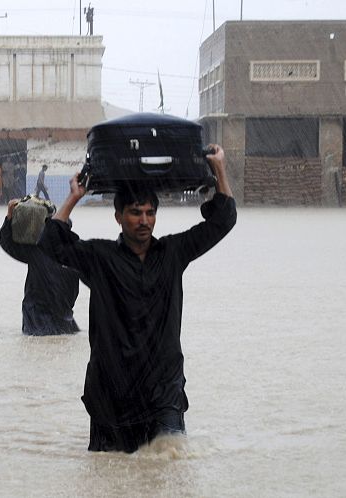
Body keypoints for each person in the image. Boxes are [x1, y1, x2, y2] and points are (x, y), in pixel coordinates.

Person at [38, 144, 237, 453]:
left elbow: (223, 221)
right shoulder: (100, 258)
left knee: (170, 466)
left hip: (164, 394)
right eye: (135, 213)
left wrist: (219, 170)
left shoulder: (173, 253)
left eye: (150, 213)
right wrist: (74, 198)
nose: (144, 221)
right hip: (111, 395)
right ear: (118, 216)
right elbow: (51, 243)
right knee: (109, 476)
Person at [0, 199, 80, 336]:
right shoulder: (74, 255)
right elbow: (7, 243)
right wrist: (9, 217)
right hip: (58, 317)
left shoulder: (37, 251)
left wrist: (9, 217)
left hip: (43, 318)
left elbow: (7, 244)